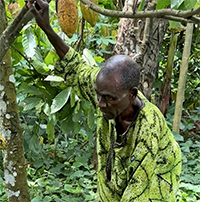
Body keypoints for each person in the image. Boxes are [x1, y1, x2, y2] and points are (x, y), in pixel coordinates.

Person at [27, 0, 182, 201]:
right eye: (98, 96)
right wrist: (47, 27)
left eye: (108, 99)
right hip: (116, 172)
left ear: (132, 94)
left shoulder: (148, 126)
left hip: (157, 178)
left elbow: (138, 191)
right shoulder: (106, 89)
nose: (100, 104)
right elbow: (76, 67)